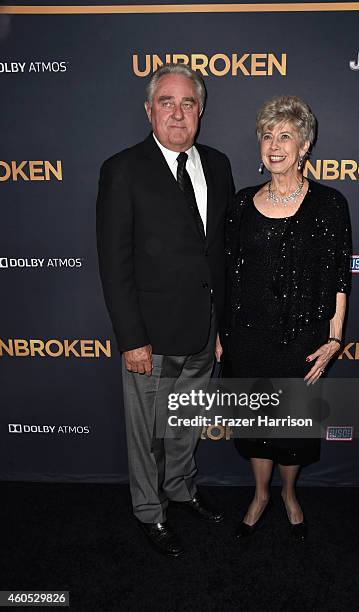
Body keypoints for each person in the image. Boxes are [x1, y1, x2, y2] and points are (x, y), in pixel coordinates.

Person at [96, 63, 234, 557]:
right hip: (149, 338)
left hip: (203, 332)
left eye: (189, 103)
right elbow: (115, 264)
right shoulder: (123, 168)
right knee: (146, 437)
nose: (179, 112)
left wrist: (222, 325)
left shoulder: (217, 164)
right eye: (168, 102)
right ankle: (149, 513)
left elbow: (217, 254)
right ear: (149, 110)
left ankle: (180, 489)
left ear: (201, 110)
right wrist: (131, 338)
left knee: (185, 425)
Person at [223, 95, 351, 541]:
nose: (274, 144)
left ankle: (289, 493)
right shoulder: (240, 205)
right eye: (266, 135)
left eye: (285, 136)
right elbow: (229, 277)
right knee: (258, 430)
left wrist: (335, 339)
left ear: (304, 145)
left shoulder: (331, 204)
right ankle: (260, 494)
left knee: (293, 432)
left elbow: (339, 277)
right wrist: (223, 336)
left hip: (302, 341)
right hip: (249, 340)